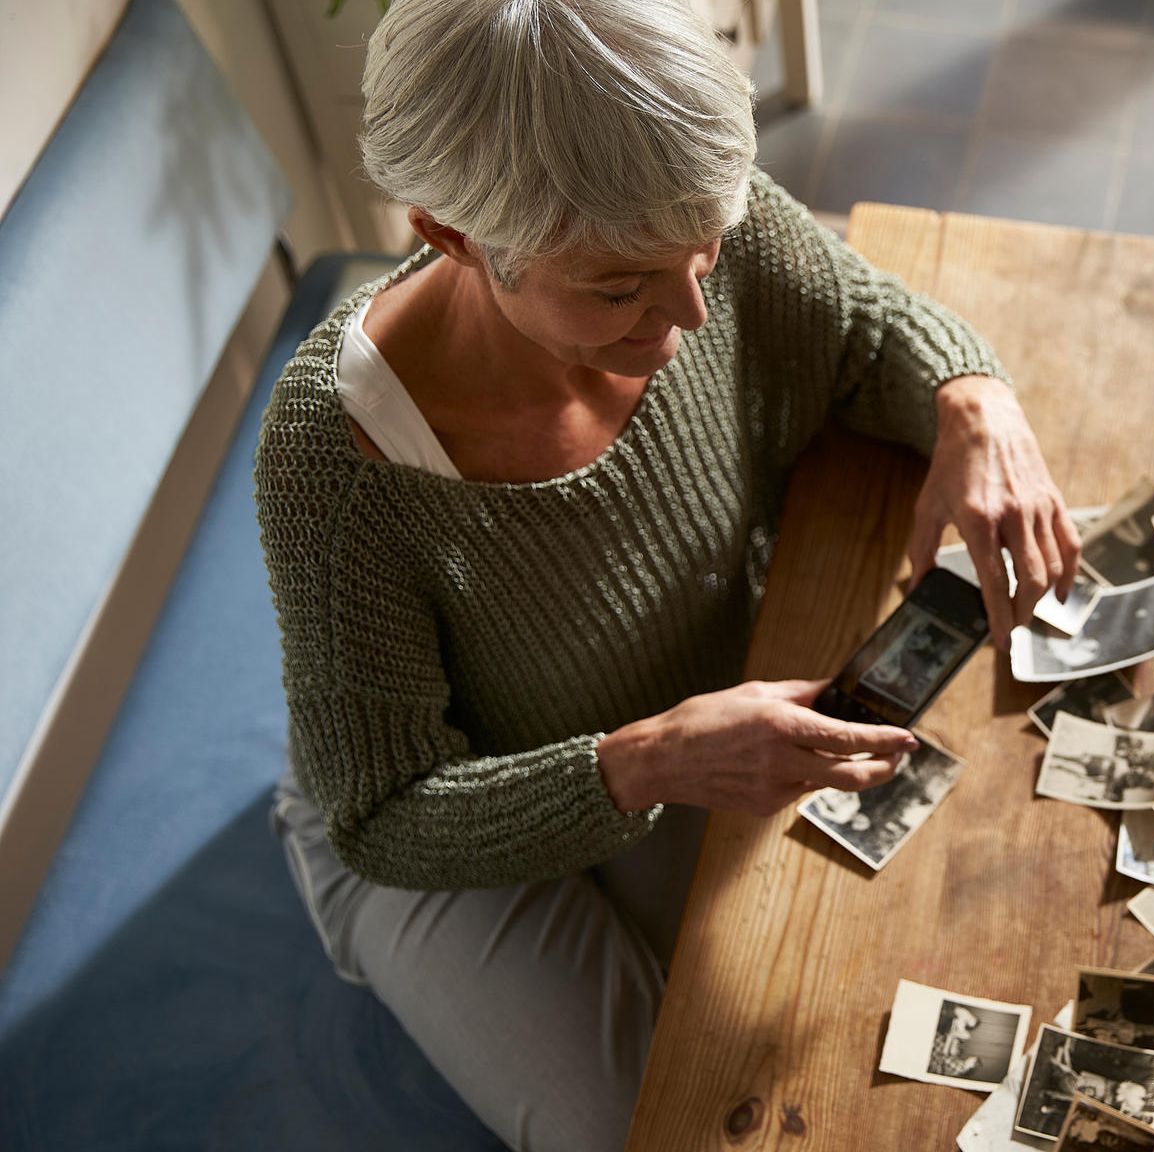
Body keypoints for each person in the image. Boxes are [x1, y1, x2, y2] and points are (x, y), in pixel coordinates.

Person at [255, 1, 1077, 1148]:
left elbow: (861, 331)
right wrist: (643, 763)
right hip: (436, 813)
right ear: (449, 235)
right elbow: (383, 815)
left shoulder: (682, 222)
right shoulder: (337, 468)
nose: (690, 314)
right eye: (618, 289)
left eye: (708, 250)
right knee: (653, 1126)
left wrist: (974, 403)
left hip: (676, 729)